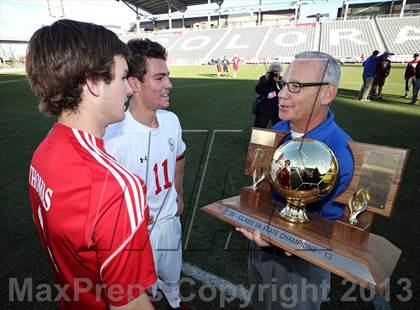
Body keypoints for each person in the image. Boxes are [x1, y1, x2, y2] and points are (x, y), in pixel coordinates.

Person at [26, 20, 156, 309]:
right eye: (123, 78)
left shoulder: (43, 152)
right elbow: (130, 303)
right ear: (93, 83)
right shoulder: (117, 188)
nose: (129, 90)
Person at [238, 51, 354, 310]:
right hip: (259, 248)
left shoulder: (343, 153)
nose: (282, 93)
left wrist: (281, 238)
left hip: (303, 266)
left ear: (327, 94)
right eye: (284, 83)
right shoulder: (276, 132)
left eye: (296, 86)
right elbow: (260, 190)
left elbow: (337, 231)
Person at [104, 39, 193, 310]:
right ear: (134, 84)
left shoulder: (171, 120)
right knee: (141, 289)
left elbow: (179, 154)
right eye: (160, 77)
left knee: (172, 272)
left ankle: (176, 302)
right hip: (136, 233)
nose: (169, 84)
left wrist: (178, 190)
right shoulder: (113, 136)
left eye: (168, 75)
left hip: (169, 221)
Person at [253, 61, 283, 128]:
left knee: (278, 128)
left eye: (277, 71)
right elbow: (258, 90)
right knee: (259, 127)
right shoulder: (264, 78)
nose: (275, 73)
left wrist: (278, 81)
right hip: (264, 107)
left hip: (277, 108)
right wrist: (266, 80)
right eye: (273, 71)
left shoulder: (281, 80)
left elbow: (282, 92)